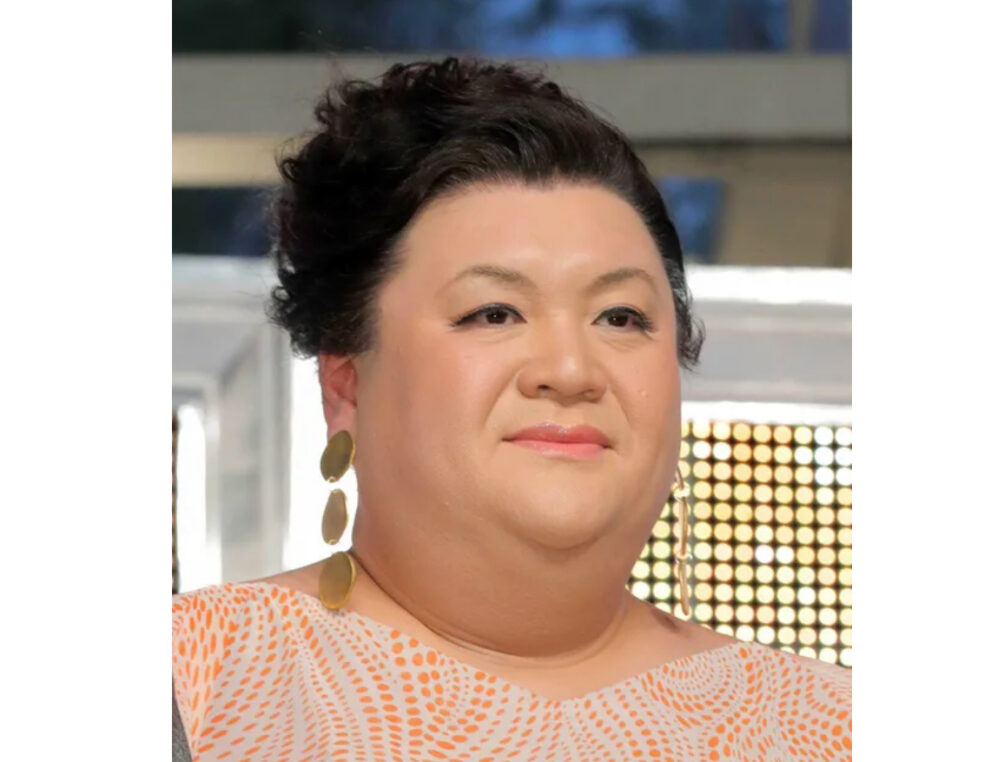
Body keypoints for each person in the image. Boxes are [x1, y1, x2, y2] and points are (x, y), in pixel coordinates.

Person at [172, 57, 851, 761]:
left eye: (620, 317)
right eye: (494, 312)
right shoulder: (201, 683)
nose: (571, 371)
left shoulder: (834, 726)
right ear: (345, 383)